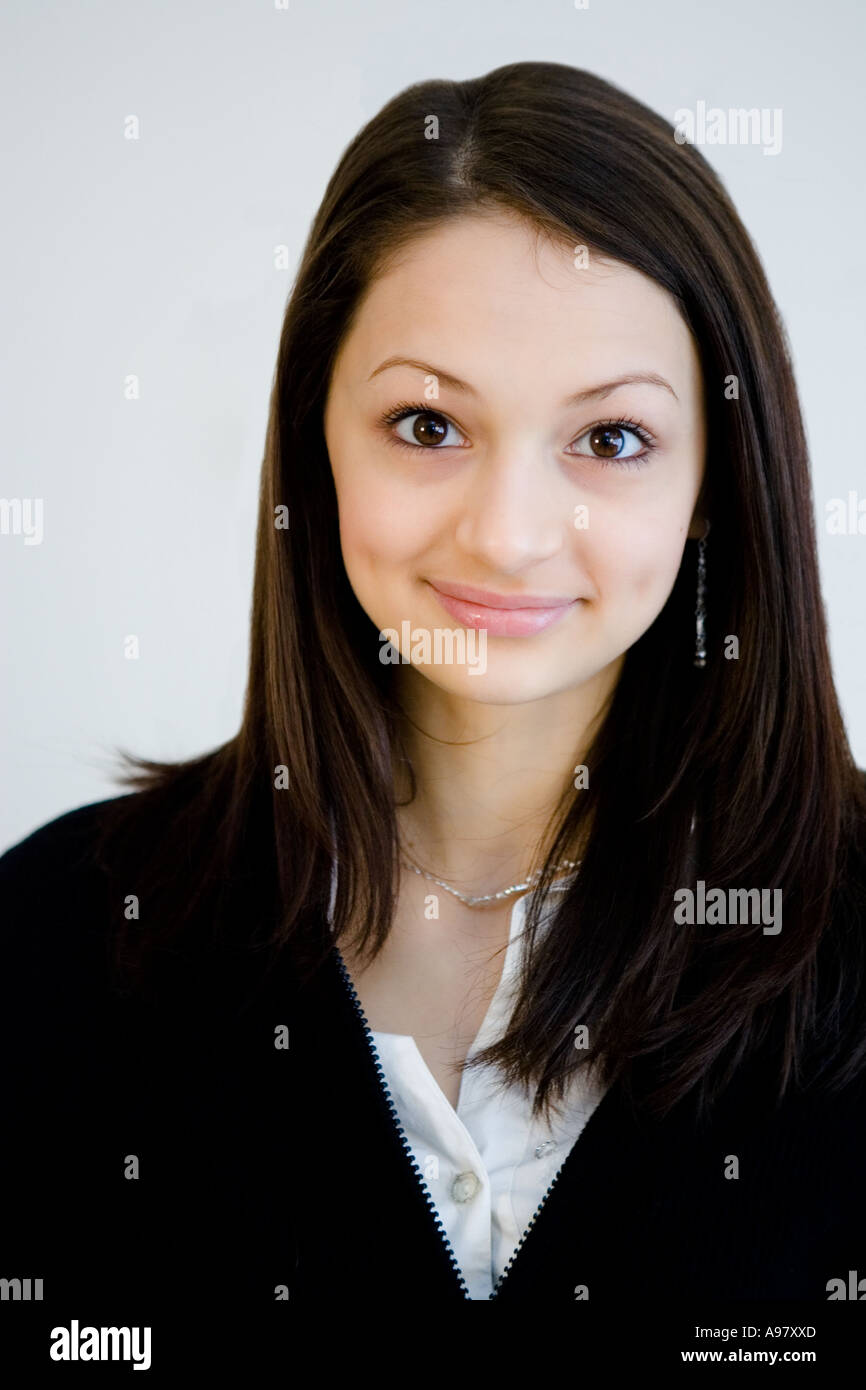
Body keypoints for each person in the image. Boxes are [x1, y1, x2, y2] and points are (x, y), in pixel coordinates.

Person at [2, 61, 865, 1365]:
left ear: (712, 483)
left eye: (610, 439)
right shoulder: (59, 936)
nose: (508, 535)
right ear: (316, 441)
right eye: (425, 422)